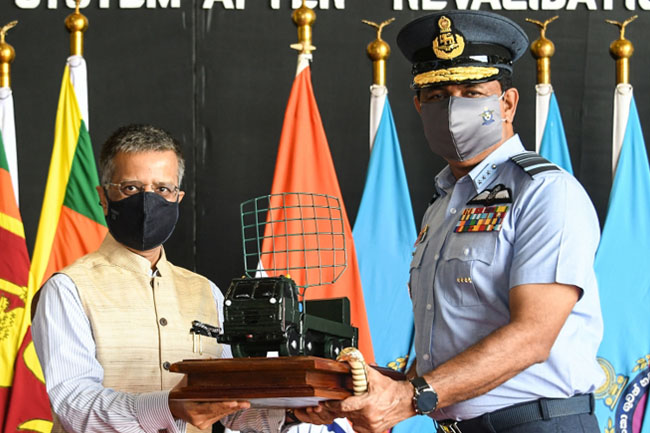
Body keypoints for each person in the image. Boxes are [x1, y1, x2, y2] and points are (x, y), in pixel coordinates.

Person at [295, 10, 604, 433]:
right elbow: (446, 354)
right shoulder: (443, 206)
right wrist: (366, 390)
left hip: (537, 425)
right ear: (419, 104)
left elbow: (533, 335)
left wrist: (411, 397)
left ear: (508, 103)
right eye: (438, 95)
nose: (453, 107)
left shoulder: (545, 192)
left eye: (472, 92)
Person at [32, 124, 289, 433]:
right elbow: (75, 405)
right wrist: (166, 406)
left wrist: (294, 414)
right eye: (131, 188)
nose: (147, 201)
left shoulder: (207, 292)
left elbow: (230, 407)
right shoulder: (68, 290)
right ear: (103, 197)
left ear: (177, 198)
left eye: (162, 189)